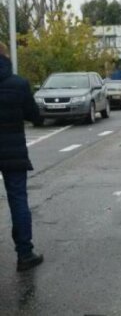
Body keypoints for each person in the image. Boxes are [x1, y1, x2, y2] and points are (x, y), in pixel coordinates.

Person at [0, 42, 44, 271]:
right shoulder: (19, 84)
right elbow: (34, 115)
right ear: (5, 56)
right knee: (18, 200)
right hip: (13, 152)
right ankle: (25, 254)